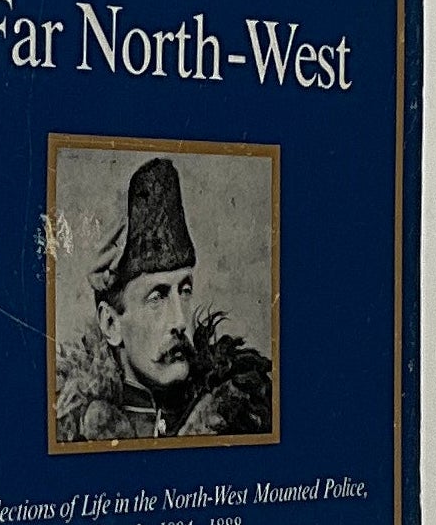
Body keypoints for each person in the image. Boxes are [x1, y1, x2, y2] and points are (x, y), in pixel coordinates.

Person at [55, 156, 273, 441]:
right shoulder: (72, 433)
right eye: (157, 297)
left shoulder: (244, 414)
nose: (180, 321)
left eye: (185, 290)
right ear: (111, 324)